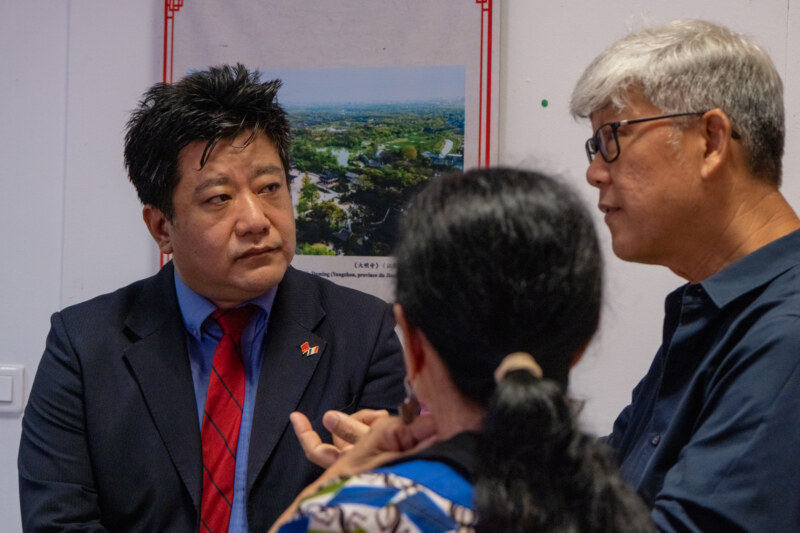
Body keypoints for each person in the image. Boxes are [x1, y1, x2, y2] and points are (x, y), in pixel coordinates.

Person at [17, 64, 405, 532]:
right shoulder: (83, 346)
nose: (256, 219)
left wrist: (380, 482)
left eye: (270, 188)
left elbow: (386, 514)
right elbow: (59, 522)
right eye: (220, 198)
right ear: (162, 227)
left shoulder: (363, 333)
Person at [270, 168, 654, 533]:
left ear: (414, 347)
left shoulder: (360, 516)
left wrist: (339, 479)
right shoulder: (619, 507)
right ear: (582, 342)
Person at [568, 19, 800, 532]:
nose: (595, 172)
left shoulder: (788, 331)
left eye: (613, 138)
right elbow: (612, 479)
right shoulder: (716, 304)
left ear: (712, 140)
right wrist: (443, 452)